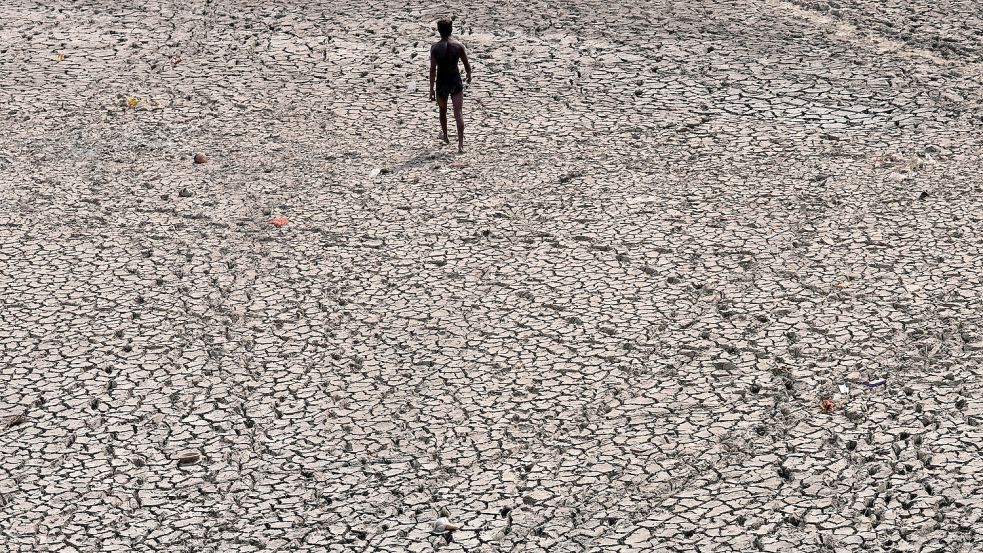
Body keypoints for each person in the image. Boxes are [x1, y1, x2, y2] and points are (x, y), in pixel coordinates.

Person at [429, 18, 472, 153]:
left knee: (442, 111)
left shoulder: (435, 48)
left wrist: (431, 89)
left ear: (439, 31)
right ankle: (460, 145)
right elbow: (466, 64)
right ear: (451, 30)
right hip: (455, 80)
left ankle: (446, 136)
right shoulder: (458, 46)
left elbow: (432, 69)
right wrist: (469, 75)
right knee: (458, 112)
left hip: (441, 82)